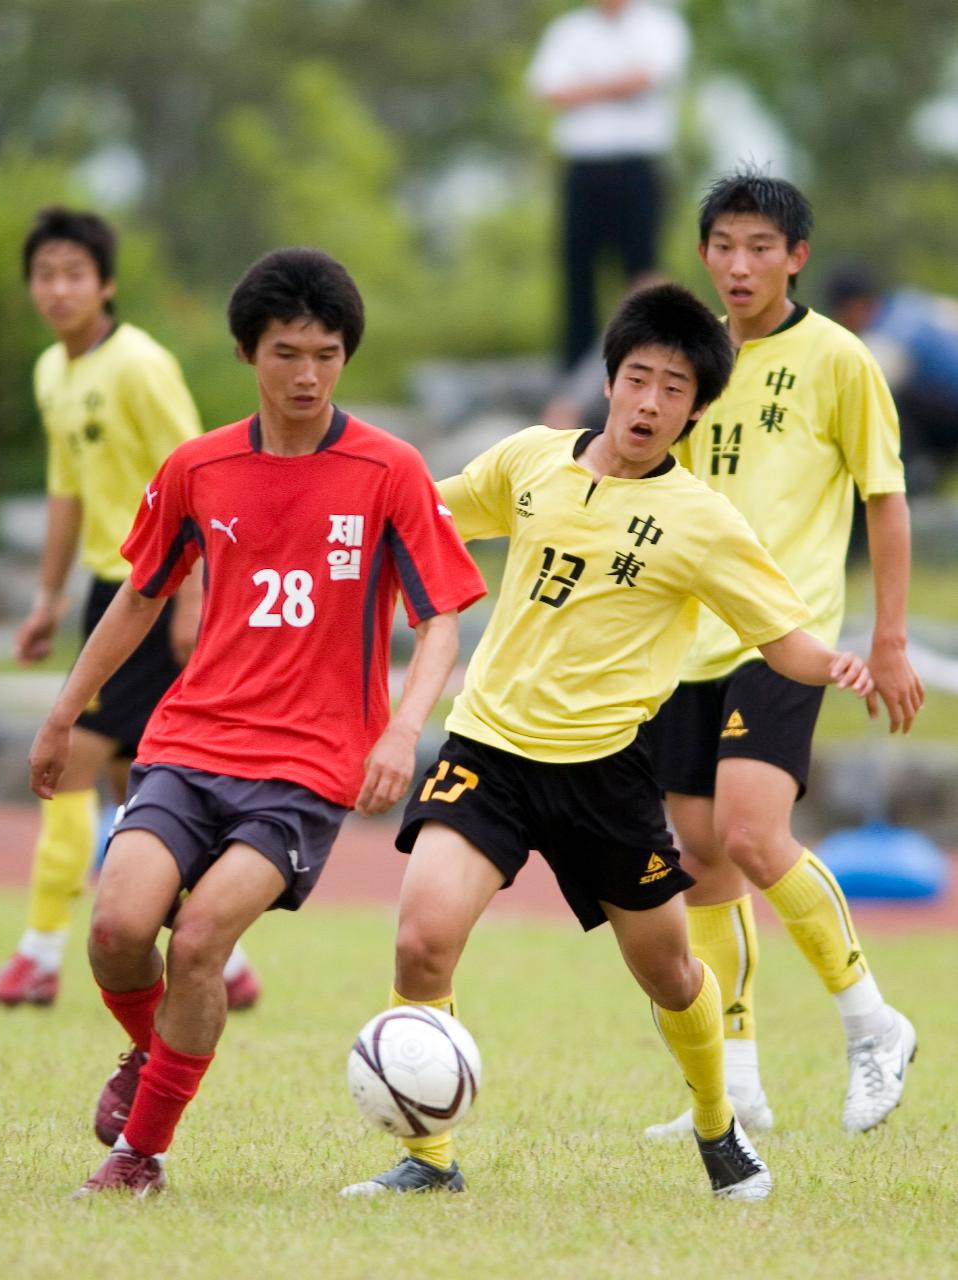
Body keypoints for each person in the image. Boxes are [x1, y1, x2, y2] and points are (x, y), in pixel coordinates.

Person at [341, 283, 876, 1203]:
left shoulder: (704, 522)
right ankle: (430, 1162)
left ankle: (718, 1126)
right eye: (638, 379)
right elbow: (430, 515)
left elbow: (781, 637)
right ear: (610, 380)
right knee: (422, 942)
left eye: (675, 390)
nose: (650, 403)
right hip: (490, 750)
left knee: (670, 973)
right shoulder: (532, 462)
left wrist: (840, 664)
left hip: (606, 774)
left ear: (697, 410)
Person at [27, 246, 486, 1197]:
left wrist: (403, 729)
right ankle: (152, 1055)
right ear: (248, 354)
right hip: (189, 743)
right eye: (287, 352)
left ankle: (140, 1155)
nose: (308, 374)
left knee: (198, 943)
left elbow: (442, 614)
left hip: (310, 766)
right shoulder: (198, 468)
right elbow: (137, 596)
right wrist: (65, 710)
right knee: (115, 930)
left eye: (326, 352)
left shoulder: (390, 470)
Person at [643, 171, 924, 1143]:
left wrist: (884, 638)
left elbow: (884, 500)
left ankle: (872, 1021)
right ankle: (738, 1083)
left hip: (783, 630)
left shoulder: (838, 359)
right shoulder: (685, 356)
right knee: (701, 856)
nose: (739, 263)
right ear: (703, 253)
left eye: (760, 244)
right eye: (723, 243)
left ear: (795, 255)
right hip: (683, 640)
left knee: (755, 834)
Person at [0, 206, 261, 1014]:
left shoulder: (139, 365)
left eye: (74, 274)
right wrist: (46, 598)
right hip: (106, 592)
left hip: (161, 586)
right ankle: (228, 966)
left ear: (107, 282)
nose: (58, 290)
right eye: (45, 275)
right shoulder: (51, 372)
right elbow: (66, 492)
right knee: (144, 779)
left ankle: (37, 956)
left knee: (70, 766)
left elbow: (201, 474)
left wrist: (193, 595)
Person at [527, 0, 690, 372]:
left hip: (637, 165)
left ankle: (650, 361)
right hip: (583, 166)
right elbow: (548, 90)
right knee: (577, 273)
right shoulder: (568, 30)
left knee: (642, 270)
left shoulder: (658, 24)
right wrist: (619, 84)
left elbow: (649, 77)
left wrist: (583, 89)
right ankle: (573, 375)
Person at [826, 265, 958, 494]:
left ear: (853, 306)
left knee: (885, 401)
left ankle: (915, 476)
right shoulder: (911, 301)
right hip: (947, 405)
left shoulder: (884, 337)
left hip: (949, 413)